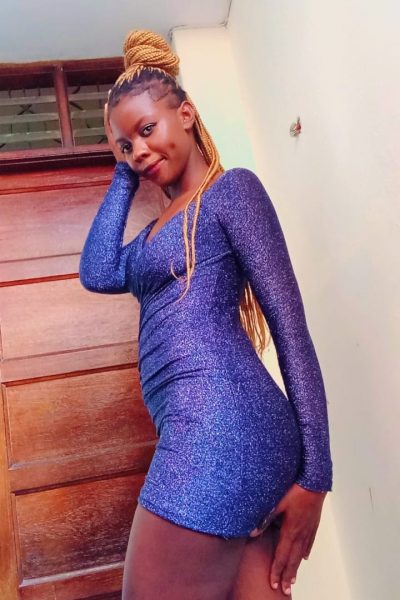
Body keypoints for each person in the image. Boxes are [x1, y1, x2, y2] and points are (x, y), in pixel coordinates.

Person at [79, 29, 333, 600]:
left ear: (187, 114)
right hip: (213, 430)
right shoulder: (151, 237)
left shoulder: (230, 193)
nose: (138, 150)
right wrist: (123, 169)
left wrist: (317, 475)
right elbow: (97, 270)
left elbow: (290, 327)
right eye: (124, 145)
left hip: (223, 425)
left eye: (147, 130)